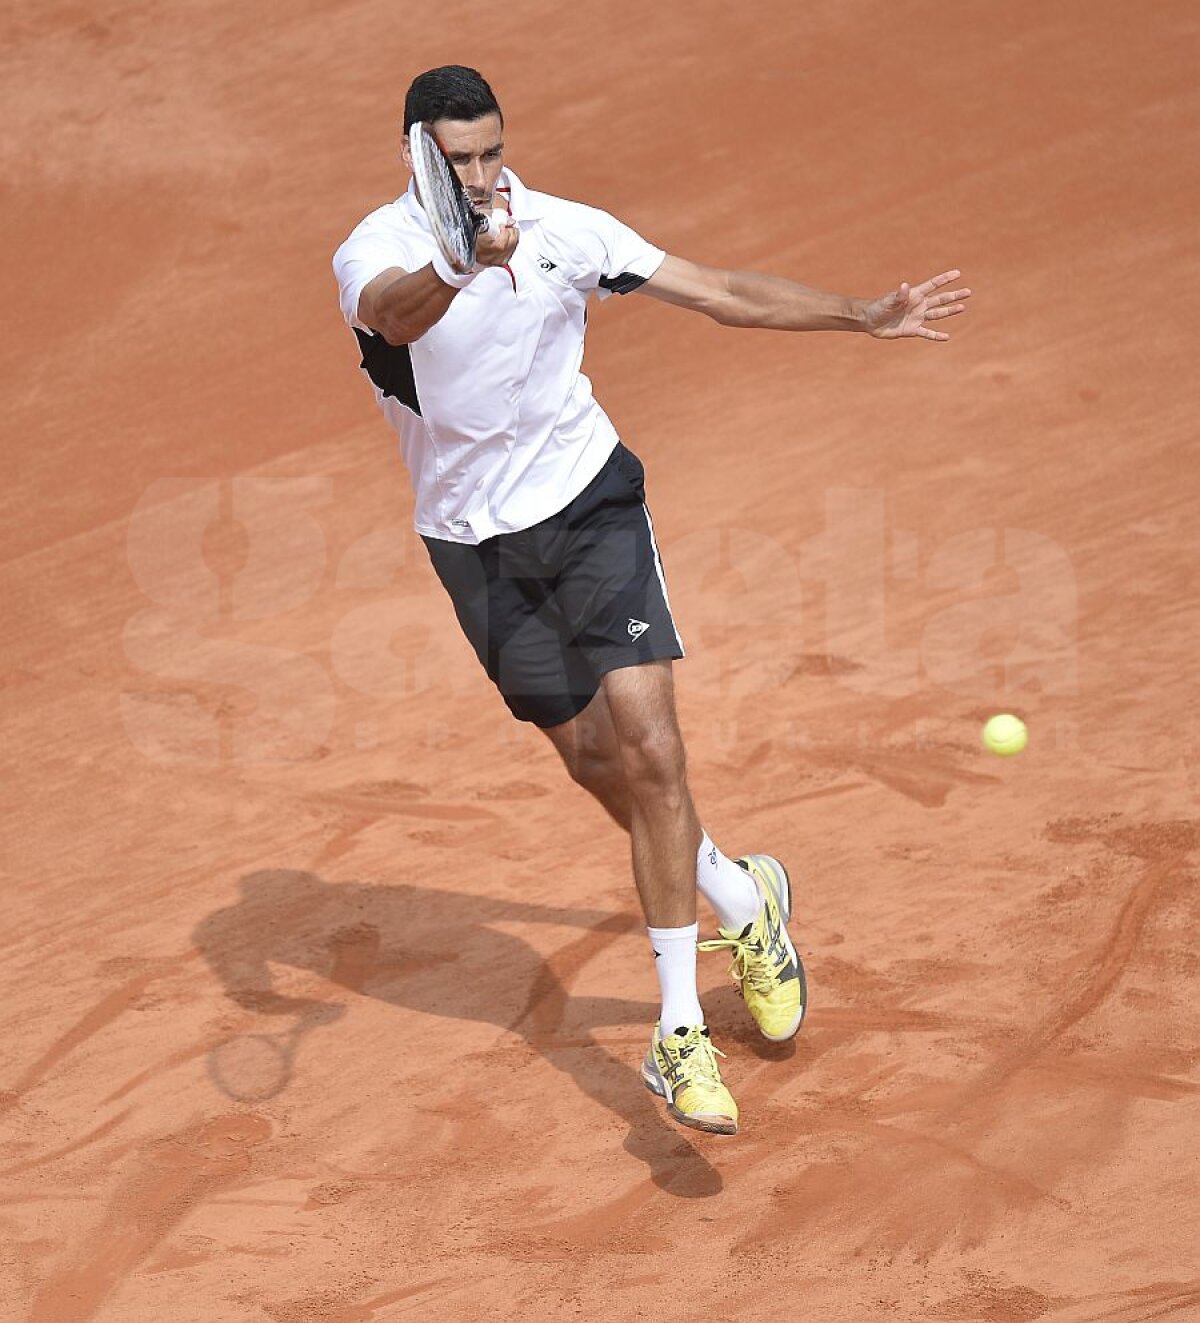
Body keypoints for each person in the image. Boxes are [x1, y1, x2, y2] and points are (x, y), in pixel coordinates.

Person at [332, 65, 970, 1137]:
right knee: (595, 764)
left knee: (654, 751)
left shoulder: (564, 231)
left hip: (591, 508)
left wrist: (860, 314)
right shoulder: (376, 249)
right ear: (414, 156)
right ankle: (740, 894)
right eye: (460, 160)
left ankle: (678, 1032)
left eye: (493, 152)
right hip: (474, 546)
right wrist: (460, 257)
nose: (484, 177)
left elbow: (718, 293)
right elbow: (393, 317)